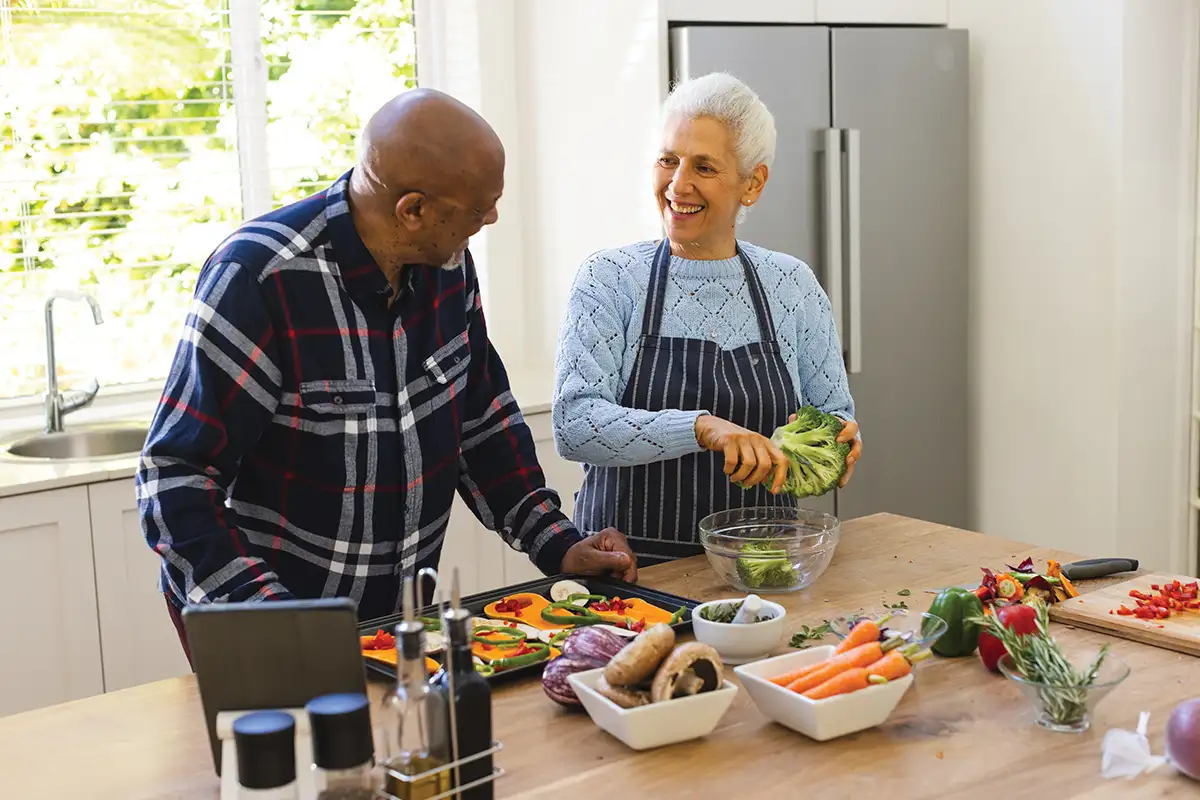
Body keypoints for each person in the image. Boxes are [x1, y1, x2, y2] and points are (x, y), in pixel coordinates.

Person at [138, 89, 636, 661]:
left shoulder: (446, 262)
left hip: (393, 623)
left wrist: (557, 541)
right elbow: (173, 474)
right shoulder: (259, 278)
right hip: (267, 619)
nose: (490, 218)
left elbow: (480, 421)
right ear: (413, 210)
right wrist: (276, 619)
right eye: (478, 209)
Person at [552, 72, 862, 566]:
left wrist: (838, 441)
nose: (678, 184)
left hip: (760, 571)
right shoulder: (610, 278)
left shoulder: (791, 285)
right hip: (629, 575)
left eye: (704, 166)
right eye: (668, 160)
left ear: (752, 183)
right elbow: (575, 426)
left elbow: (834, 412)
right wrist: (700, 427)